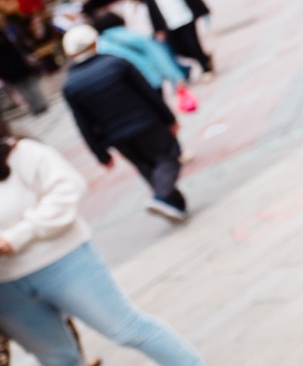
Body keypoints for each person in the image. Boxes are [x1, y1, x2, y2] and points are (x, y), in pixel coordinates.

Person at [0, 125, 203, 365]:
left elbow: (68, 190)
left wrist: (15, 238)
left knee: (127, 329)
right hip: (6, 289)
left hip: (62, 262)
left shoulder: (24, 154)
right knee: (56, 358)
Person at [60, 26, 189, 223]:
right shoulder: (116, 64)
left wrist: (100, 153)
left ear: (69, 53)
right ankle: (162, 198)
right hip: (147, 123)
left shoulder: (71, 85)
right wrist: (168, 118)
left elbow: (83, 123)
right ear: (95, 43)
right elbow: (149, 93)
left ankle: (174, 205)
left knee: (146, 166)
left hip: (116, 136)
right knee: (169, 157)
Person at [139, 0, 213, 80]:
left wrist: (203, 11)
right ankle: (204, 58)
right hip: (168, 22)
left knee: (193, 44)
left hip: (185, 16)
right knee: (178, 49)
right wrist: (157, 29)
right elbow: (152, 10)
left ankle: (206, 69)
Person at [0, 32, 46, 117]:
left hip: (12, 73)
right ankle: (41, 104)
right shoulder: (9, 40)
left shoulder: (8, 40)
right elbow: (20, 52)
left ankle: (35, 107)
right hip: (22, 68)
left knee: (24, 90)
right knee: (31, 87)